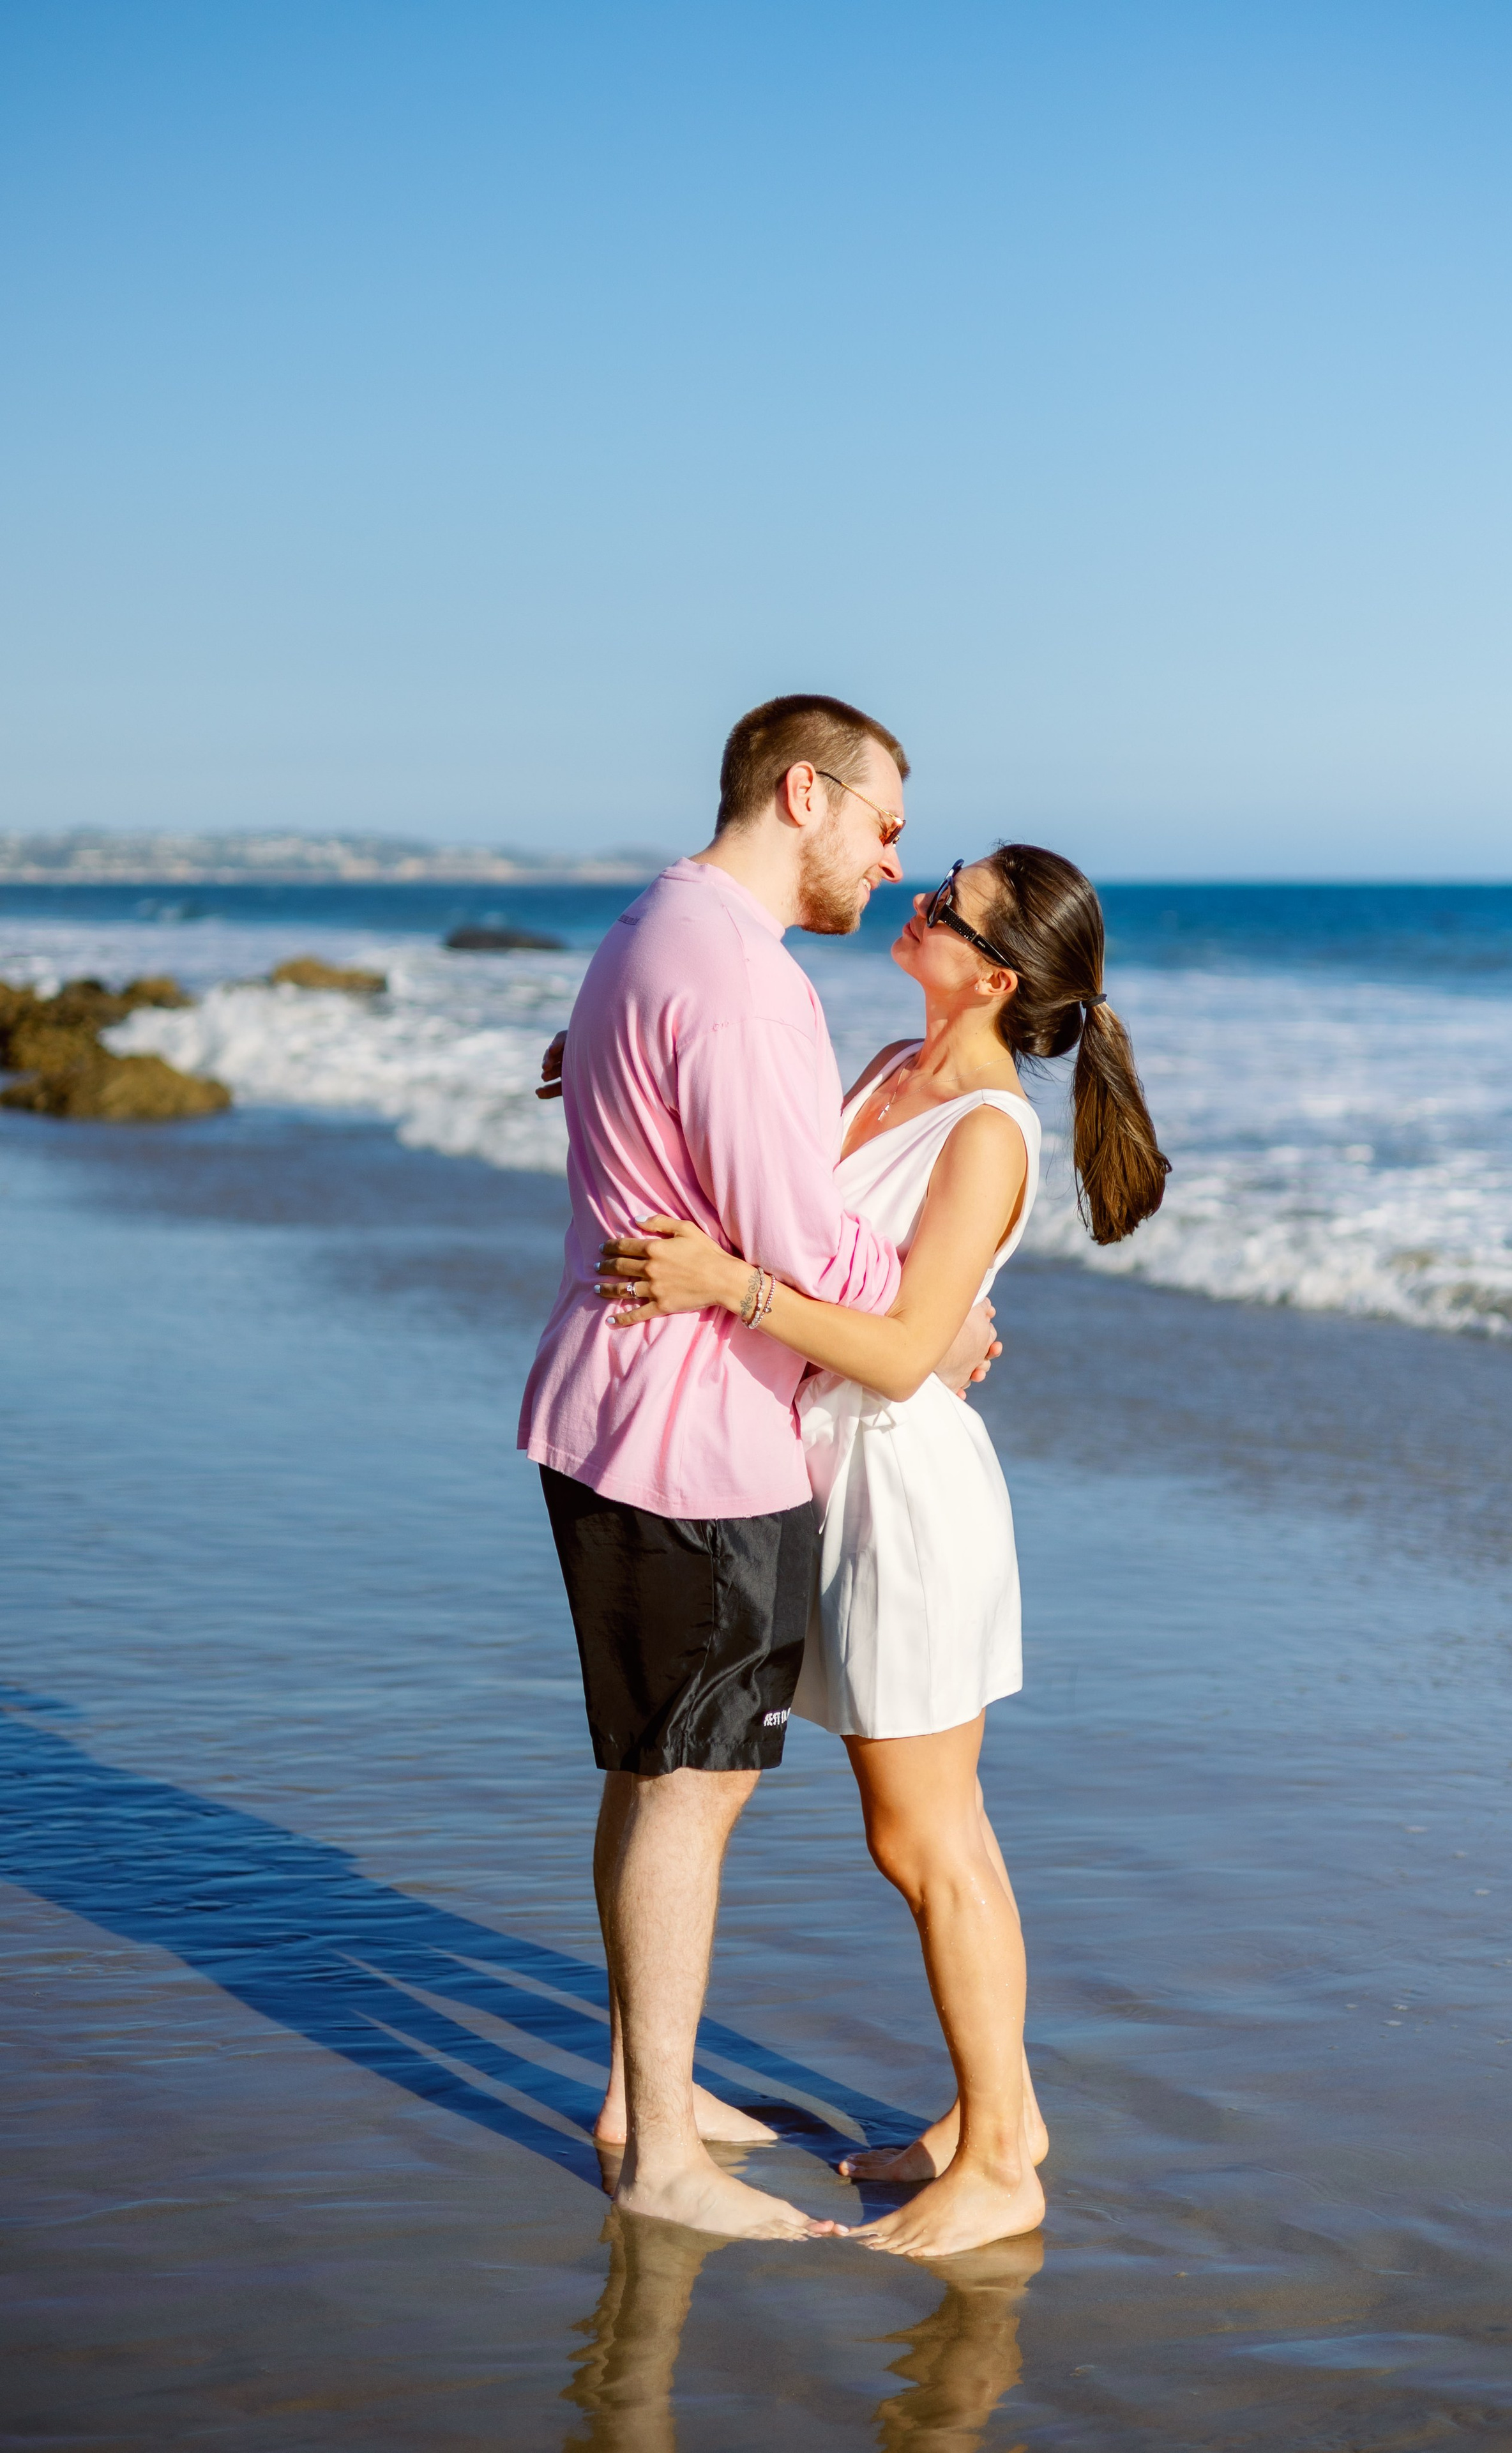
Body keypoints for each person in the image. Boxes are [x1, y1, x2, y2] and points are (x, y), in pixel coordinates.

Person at [596, 844, 1169, 2256]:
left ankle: (1001, 2168)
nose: (916, 902)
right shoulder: (875, 1069)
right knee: (919, 1829)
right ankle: (1000, 2121)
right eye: (936, 879)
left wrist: (728, 1288)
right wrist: (599, 1062)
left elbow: (908, 1350)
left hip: (902, 1501)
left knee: (924, 1836)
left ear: (993, 974)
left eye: (946, 905)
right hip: (816, 1470)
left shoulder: (984, 1129)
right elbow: (757, 1158)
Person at [519, 695, 999, 2243]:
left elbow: (689, 1132)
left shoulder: (652, 926)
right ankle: (660, 2149)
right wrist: (942, 1309)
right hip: (693, 1438)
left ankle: (641, 2089)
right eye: (884, 826)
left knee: (658, 1772)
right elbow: (794, 1240)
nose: (890, 862)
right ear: (805, 794)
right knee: (694, 1782)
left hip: (612, 1411)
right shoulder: (743, 984)